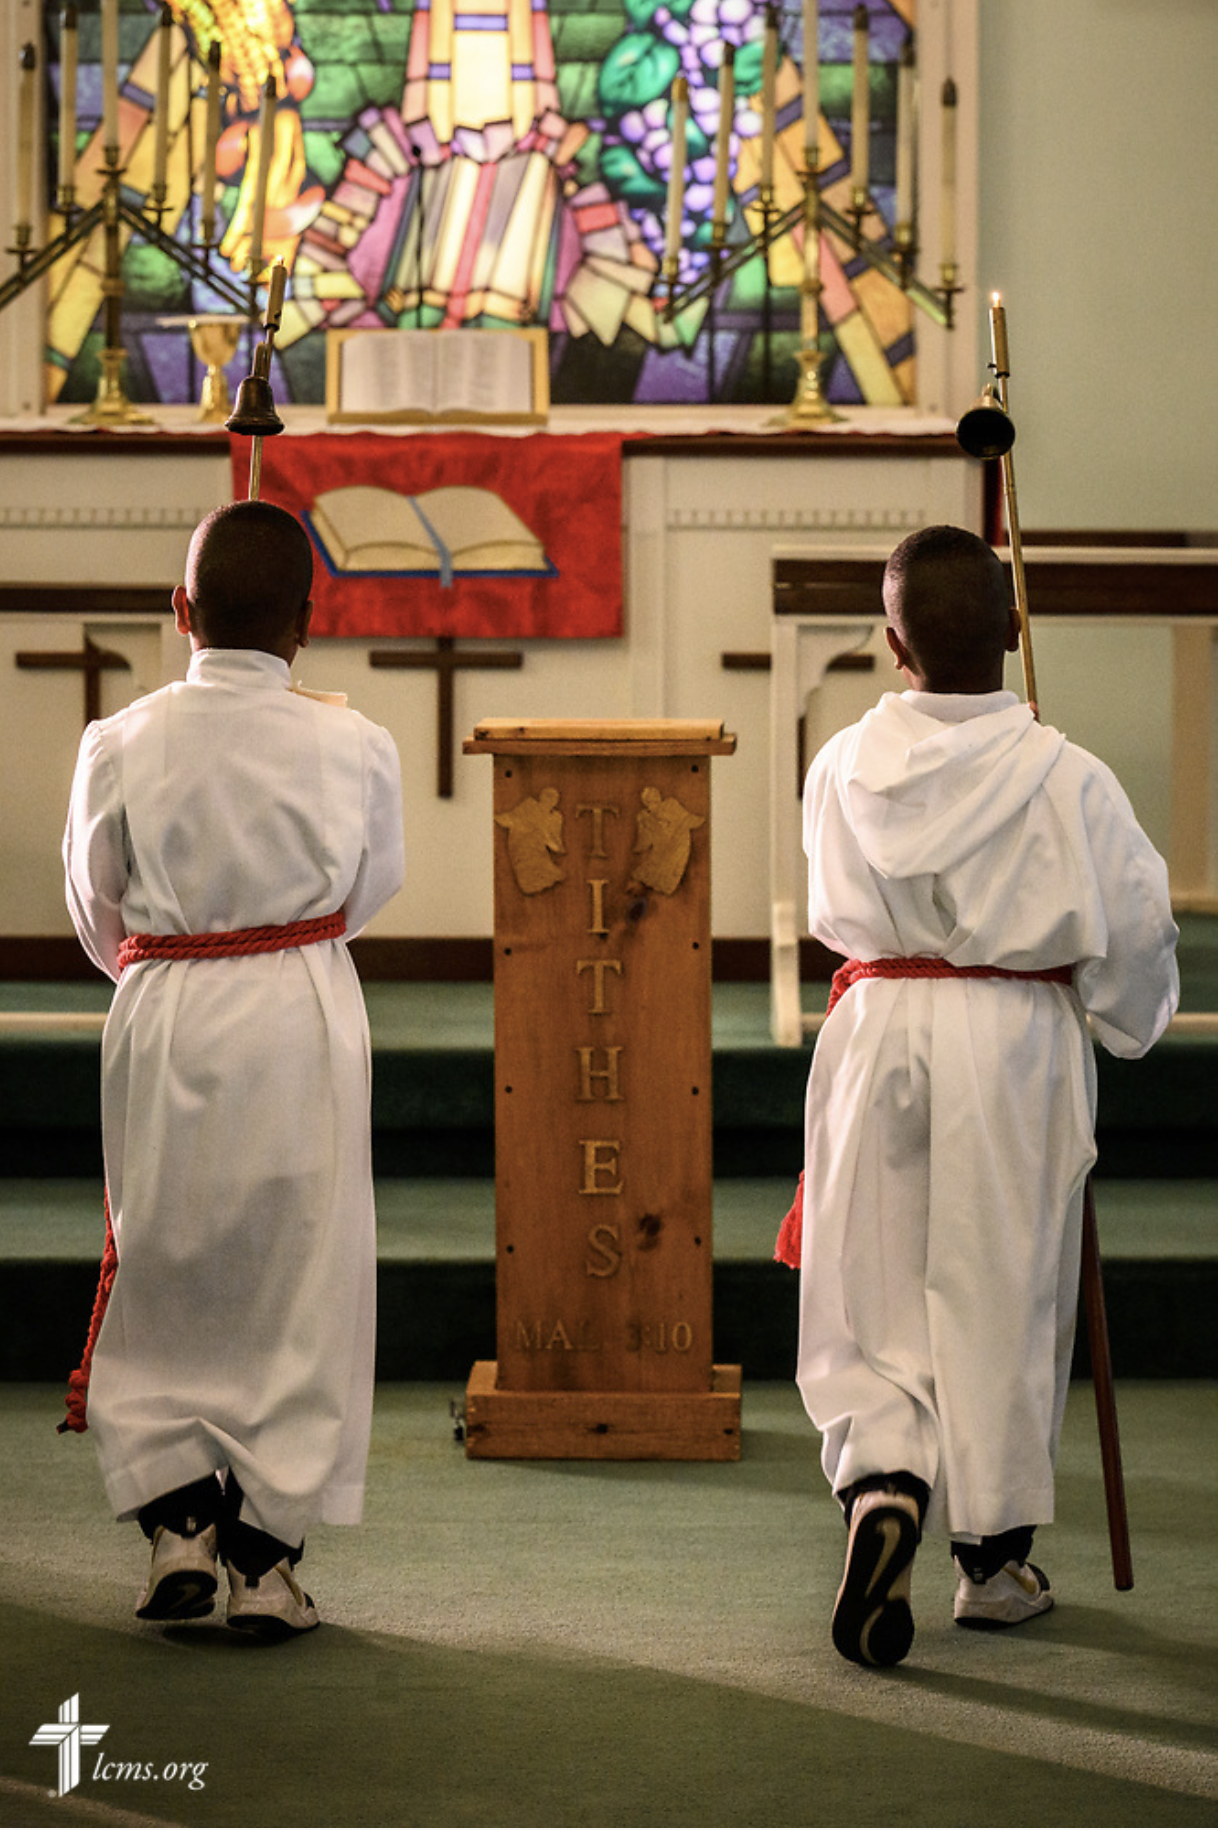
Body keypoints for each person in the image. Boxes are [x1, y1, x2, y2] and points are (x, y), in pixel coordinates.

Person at [784, 524, 1178, 1669]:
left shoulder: (843, 762)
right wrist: (1124, 1015)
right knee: (1003, 1282)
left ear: (891, 643)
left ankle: (882, 1482)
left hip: (879, 1028)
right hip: (1011, 1040)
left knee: (874, 1275)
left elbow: (824, 895)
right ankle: (993, 1562)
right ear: (1016, 631)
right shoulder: (1070, 775)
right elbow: (1141, 932)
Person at [62, 499, 404, 1638]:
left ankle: (176, 1533)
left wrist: (165, 963)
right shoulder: (354, 741)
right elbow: (372, 884)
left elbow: (92, 902)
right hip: (302, 1002)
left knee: (165, 1249)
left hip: (163, 1005)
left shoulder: (117, 741)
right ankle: (265, 1560)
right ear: (308, 625)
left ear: (179, 613)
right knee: (302, 1268)